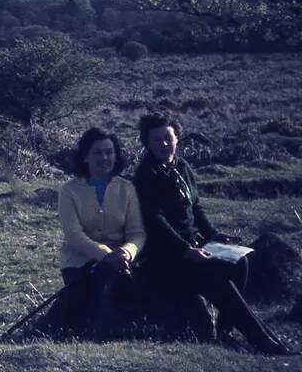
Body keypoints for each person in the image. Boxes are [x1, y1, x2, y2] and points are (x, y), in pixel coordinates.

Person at [133, 112, 293, 355]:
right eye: (157, 140)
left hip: (193, 245)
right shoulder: (146, 175)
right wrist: (185, 250)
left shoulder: (182, 167)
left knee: (240, 263)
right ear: (147, 143)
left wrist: (214, 235)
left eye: (169, 137)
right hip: (166, 254)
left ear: (177, 137)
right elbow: (155, 221)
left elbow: (195, 208)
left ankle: (225, 329)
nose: (164, 144)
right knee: (217, 279)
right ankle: (262, 341)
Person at [52, 127, 146, 340]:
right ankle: (96, 332)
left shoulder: (127, 188)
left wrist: (126, 252)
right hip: (79, 262)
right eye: (98, 152)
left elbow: (137, 232)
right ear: (85, 156)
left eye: (109, 152)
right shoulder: (69, 190)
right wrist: (105, 255)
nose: (105, 158)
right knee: (97, 283)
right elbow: (74, 234)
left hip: (122, 261)